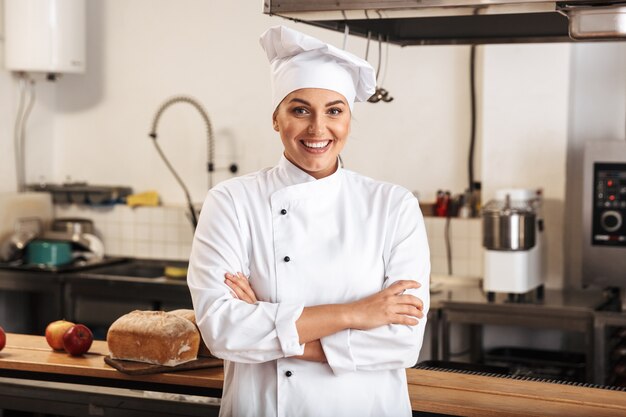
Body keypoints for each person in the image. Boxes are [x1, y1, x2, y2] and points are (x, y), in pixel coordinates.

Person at [187, 25, 430, 417]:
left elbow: (403, 341)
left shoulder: (393, 205)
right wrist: (356, 314)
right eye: (300, 110)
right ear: (276, 118)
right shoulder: (231, 201)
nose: (318, 128)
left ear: (350, 118)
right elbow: (222, 330)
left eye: (334, 110)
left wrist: (269, 325)